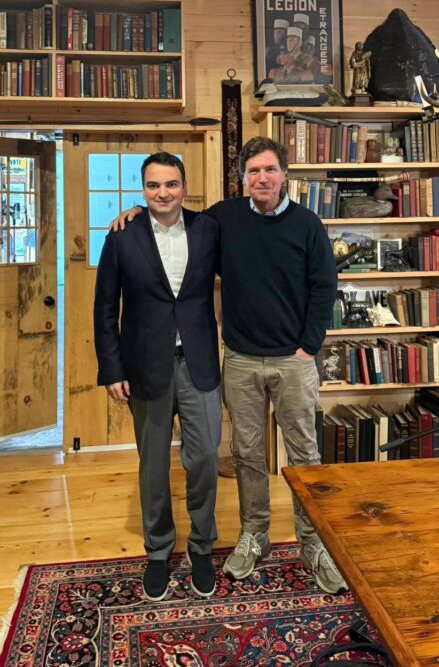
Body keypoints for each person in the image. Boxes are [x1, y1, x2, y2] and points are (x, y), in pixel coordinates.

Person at [110, 137, 348, 595]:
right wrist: (138, 213)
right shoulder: (224, 218)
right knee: (247, 455)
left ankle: (315, 542)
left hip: (294, 360)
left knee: (305, 456)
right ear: (242, 178)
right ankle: (254, 534)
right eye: (253, 171)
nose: (262, 178)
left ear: (284, 174)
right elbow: (174, 215)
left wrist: (308, 347)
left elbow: (325, 285)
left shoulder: (307, 224)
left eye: (270, 170)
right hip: (239, 359)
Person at [94, 152, 222, 603]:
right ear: (142, 189)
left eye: (171, 184)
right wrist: (112, 368)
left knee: (204, 458)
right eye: (153, 185)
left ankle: (201, 546)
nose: (162, 193)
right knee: (152, 465)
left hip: (199, 361)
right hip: (145, 365)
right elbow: (105, 307)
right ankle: (159, 550)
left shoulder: (209, 229)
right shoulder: (121, 236)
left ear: (184, 186)